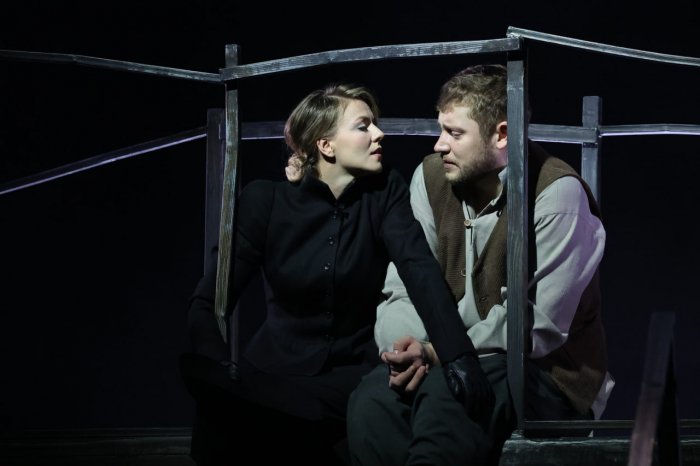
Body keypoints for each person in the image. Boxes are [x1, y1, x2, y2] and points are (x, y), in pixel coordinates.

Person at [180, 83, 490, 466]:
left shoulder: (384, 193)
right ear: (326, 146)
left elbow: (419, 270)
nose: (379, 133)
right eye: (363, 126)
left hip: (350, 374)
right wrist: (217, 371)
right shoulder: (265, 201)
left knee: (322, 414)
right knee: (224, 415)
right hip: (272, 372)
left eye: (375, 124)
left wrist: (458, 355)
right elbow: (207, 301)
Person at [346, 64, 615, 466]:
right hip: (443, 358)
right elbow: (404, 284)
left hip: (543, 375)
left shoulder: (557, 195)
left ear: (501, 135)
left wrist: (439, 353)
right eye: (441, 129)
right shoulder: (431, 177)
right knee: (371, 404)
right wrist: (407, 347)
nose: (439, 144)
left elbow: (538, 326)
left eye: (455, 134)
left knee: (450, 395)